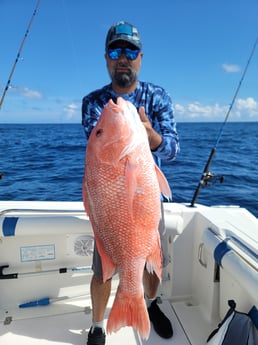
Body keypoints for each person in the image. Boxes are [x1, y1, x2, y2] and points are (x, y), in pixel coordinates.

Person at [82, 21, 179, 345]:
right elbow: (99, 151)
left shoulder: (158, 96)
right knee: (102, 269)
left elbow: (173, 149)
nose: (123, 58)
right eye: (115, 51)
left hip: (147, 201)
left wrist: (151, 137)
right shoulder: (94, 101)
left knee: (152, 266)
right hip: (111, 206)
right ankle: (98, 325)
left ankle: (150, 304)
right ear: (107, 58)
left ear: (140, 57)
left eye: (130, 51)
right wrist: (134, 138)